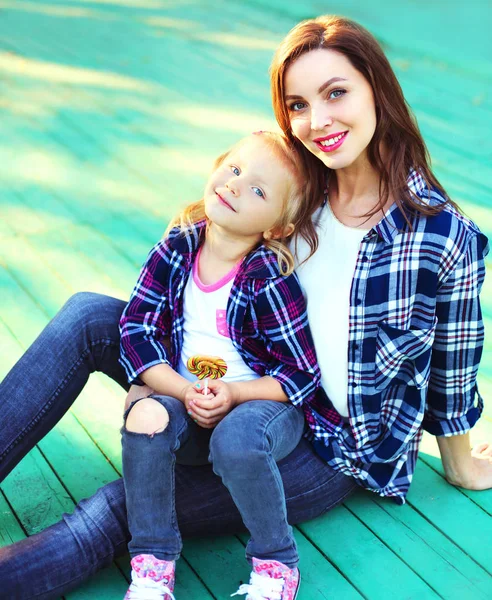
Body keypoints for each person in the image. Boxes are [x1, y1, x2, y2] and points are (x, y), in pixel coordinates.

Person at [0, 14, 491, 600]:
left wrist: (460, 463)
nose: (319, 121)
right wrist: (150, 376)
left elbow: (451, 367)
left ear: (378, 90)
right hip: (216, 377)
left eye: (337, 93)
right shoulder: (296, 189)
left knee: (118, 507)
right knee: (86, 314)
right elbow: (196, 254)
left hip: (317, 446)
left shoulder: (440, 236)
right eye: (298, 105)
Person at [119, 130, 323, 600]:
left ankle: (276, 562)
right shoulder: (177, 249)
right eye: (233, 170)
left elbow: (299, 376)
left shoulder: (269, 279)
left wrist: (234, 394)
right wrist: (177, 390)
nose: (234, 185)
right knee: (145, 415)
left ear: (277, 227)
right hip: (187, 399)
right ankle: (152, 567)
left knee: (237, 436)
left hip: (258, 407)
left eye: (257, 190)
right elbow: (136, 330)